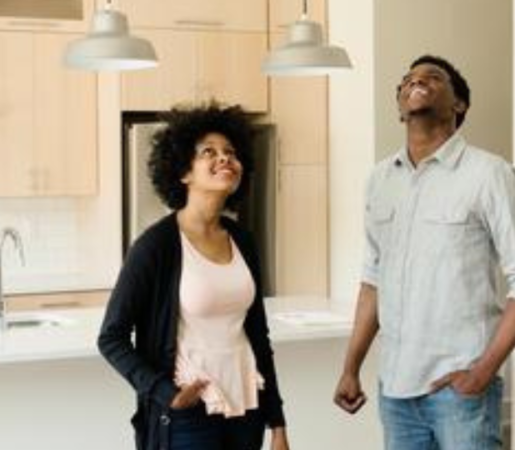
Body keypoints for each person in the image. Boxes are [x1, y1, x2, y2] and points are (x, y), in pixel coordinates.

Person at [334, 54, 515, 450]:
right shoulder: (380, 180)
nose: (416, 82)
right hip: (395, 393)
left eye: (433, 77)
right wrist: (351, 368)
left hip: (460, 391)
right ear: (400, 106)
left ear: (459, 104)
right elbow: (372, 282)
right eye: (407, 80)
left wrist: (482, 373)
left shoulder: (489, 173)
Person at [98, 102, 289, 450]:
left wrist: (277, 422)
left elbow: (258, 335)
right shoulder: (155, 246)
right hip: (189, 413)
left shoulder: (243, 240)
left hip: (247, 406)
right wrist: (165, 393)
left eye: (231, 152)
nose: (225, 158)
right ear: (183, 172)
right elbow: (111, 337)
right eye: (209, 152)